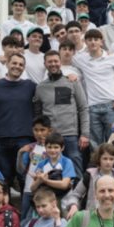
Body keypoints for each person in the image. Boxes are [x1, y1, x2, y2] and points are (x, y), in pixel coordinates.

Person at [0, 52, 37, 190]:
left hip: (24, 138)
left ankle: (27, 210)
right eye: (14, 63)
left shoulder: (30, 86)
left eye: (21, 64)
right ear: (7, 64)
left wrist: (69, 77)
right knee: (4, 178)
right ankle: (6, 210)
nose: (17, 66)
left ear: (24, 68)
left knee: (25, 176)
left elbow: (48, 92)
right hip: (0, 138)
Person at [33, 50, 90, 178]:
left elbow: (83, 108)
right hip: (50, 137)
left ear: (61, 62)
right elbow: (38, 115)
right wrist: (40, 135)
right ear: (45, 64)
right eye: (50, 61)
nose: (53, 64)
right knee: (50, 172)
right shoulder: (40, 87)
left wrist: (85, 134)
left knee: (76, 171)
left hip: (70, 134)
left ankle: (78, 197)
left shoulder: (72, 82)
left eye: (56, 61)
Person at [74, 29, 114, 149]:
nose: (93, 42)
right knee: (95, 145)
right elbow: (66, 59)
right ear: (85, 42)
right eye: (90, 40)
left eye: (96, 39)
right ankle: (97, 167)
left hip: (112, 105)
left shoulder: (112, 57)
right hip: (92, 107)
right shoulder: (81, 59)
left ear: (101, 41)